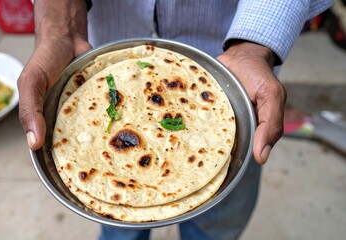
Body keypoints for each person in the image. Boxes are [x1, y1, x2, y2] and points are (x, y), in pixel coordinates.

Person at [17, 1, 333, 239]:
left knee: (217, 225)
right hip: (95, 67)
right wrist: (60, 24)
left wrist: (256, 41)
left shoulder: (231, 96)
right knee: (119, 229)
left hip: (232, 85)